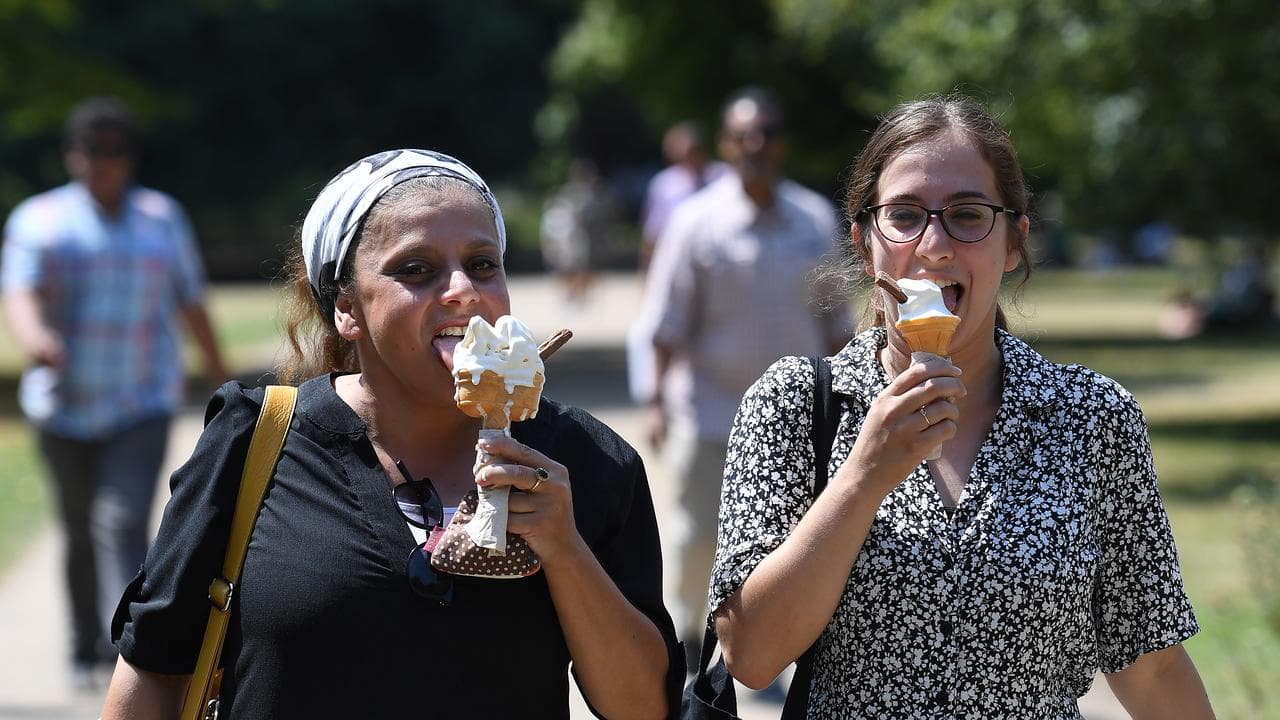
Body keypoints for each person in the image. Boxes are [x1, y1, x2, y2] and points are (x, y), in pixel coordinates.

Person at [102, 149, 680, 718]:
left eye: (483, 265)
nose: (461, 289)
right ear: (347, 309)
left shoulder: (582, 460)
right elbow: (153, 672)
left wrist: (565, 550)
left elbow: (642, 707)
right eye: (416, 270)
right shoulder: (254, 444)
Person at [708, 95, 1216, 718]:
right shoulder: (795, 404)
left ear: (1013, 243)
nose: (934, 246)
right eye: (905, 215)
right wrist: (865, 475)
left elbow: (1151, 664)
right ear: (864, 242)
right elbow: (752, 656)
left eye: (968, 215)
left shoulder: (1092, 418)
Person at [1, 96, 227, 689]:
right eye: (91, 150)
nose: (103, 162)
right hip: (62, 406)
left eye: (115, 151)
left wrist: (217, 368)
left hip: (140, 401)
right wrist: (37, 339)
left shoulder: (161, 218)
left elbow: (189, 297)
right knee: (77, 529)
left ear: (130, 157)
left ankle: (126, 652)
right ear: (72, 154)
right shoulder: (38, 220)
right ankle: (82, 648)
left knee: (121, 520)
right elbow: (20, 294)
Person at [642, 87, 852, 668]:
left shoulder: (813, 220)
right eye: (741, 136)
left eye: (764, 135)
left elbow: (836, 322)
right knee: (697, 542)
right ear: (726, 146)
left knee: (793, 546)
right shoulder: (694, 223)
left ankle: (781, 653)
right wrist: (656, 401)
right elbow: (666, 324)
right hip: (711, 414)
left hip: (800, 421)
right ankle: (691, 646)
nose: (753, 146)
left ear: (781, 144)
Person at [628, 121, 729, 405]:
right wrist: (646, 280)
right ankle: (665, 395)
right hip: (672, 269)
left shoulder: (723, 179)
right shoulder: (664, 185)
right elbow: (652, 236)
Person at [638, 121, 728, 273]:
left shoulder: (725, 177)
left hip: (721, 262)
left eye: (694, 152)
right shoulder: (664, 184)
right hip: (676, 262)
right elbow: (653, 233)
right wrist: (646, 274)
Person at [539, 156, 613, 306]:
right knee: (572, 267)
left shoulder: (592, 194)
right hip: (573, 237)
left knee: (582, 267)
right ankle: (574, 293)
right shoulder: (571, 193)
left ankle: (579, 293)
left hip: (586, 237)